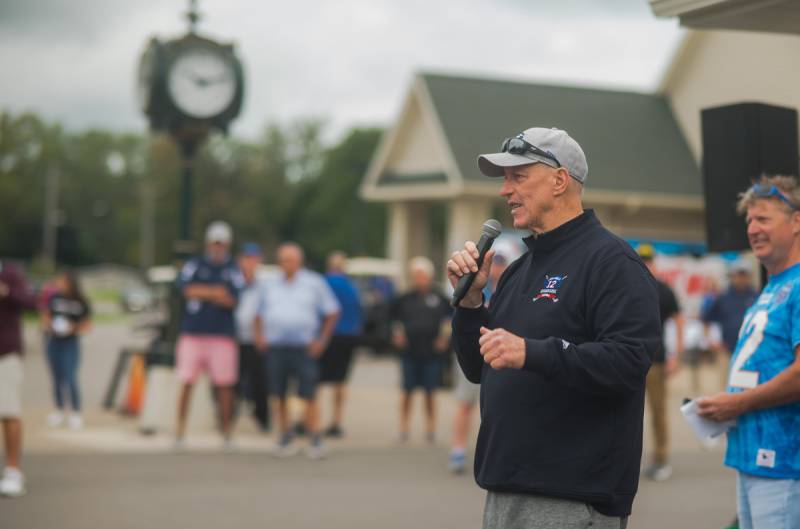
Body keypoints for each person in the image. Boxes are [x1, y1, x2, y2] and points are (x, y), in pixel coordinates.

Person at [448, 127, 660, 529]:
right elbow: (479, 368)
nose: (504, 190)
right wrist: (471, 302)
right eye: (505, 179)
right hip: (507, 486)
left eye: (518, 177)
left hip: (570, 496)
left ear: (560, 180)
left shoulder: (612, 262)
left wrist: (533, 352)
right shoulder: (516, 271)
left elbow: (629, 361)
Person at [698, 175, 800, 529]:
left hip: (784, 460)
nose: (753, 229)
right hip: (752, 457)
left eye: (764, 219)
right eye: (750, 221)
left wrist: (739, 403)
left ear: (797, 221)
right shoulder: (774, 286)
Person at [253, 242, 339, 458]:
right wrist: (260, 337)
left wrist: (322, 340)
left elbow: (332, 311)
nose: (286, 264)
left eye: (290, 259)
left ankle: (315, 436)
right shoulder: (270, 285)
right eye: (283, 260)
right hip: (277, 346)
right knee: (278, 393)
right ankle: (285, 435)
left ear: (299, 261)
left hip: (304, 346)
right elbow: (258, 314)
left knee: (309, 393)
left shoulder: (313, 283)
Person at [174, 221, 243, 449]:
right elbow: (186, 289)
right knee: (186, 381)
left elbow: (233, 298)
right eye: (214, 243)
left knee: (225, 385)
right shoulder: (195, 264)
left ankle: (226, 433)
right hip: (193, 333)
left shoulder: (233, 268)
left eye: (221, 244)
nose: (217, 247)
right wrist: (215, 292)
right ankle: (180, 432)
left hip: (222, 335)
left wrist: (203, 292)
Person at [449, 252, 510, 474]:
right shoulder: (477, 282)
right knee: (465, 403)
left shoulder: (515, 285)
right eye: (495, 263)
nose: (497, 268)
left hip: (505, 356)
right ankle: (457, 449)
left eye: (502, 263)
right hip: (476, 351)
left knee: (497, 406)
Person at [637, 243, 685, 481]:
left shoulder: (663, 290)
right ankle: (628, 459)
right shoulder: (629, 287)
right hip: (630, 360)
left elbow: (678, 321)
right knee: (627, 412)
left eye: (648, 260)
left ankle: (661, 458)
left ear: (653, 262)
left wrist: (677, 355)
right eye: (642, 260)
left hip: (656, 361)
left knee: (658, 412)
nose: (646, 264)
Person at [390, 256, 451, 444]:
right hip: (410, 351)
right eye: (415, 276)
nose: (418, 279)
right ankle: (403, 427)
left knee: (430, 391)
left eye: (421, 275)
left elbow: (449, 319)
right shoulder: (404, 298)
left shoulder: (440, 298)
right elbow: (394, 320)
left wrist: (444, 338)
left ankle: (431, 428)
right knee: (407, 391)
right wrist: (397, 334)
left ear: (429, 276)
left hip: (431, 351)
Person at [0, 260, 36, 498]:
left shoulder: (11, 273)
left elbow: (31, 303)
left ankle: (13, 469)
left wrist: (6, 292)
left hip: (6, 353)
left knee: (9, 412)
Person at [319, 251, 362, 438]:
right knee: (340, 380)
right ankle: (336, 420)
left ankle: (310, 419)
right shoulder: (351, 287)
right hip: (348, 336)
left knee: (315, 379)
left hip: (327, 335)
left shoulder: (322, 283)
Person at [42, 270, 92, 430]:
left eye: (62, 282)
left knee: (70, 377)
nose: (59, 284)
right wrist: (49, 325)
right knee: (56, 377)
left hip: (70, 343)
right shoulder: (55, 298)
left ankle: (76, 412)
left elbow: (87, 324)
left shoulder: (81, 301)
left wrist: (73, 328)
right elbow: (46, 315)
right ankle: (59, 410)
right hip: (54, 341)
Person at [702, 259, 758, 387]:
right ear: (732, 276)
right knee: (726, 386)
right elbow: (706, 319)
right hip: (727, 351)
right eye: (738, 274)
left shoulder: (756, 296)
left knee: (748, 388)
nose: (740, 278)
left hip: (750, 351)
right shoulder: (723, 297)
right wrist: (710, 341)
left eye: (743, 274)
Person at [234, 242, 269, 432]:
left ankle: (263, 418)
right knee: (233, 382)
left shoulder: (265, 285)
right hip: (236, 339)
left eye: (254, 259)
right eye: (247, 258)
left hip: (256, 341)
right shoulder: (234, 282)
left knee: (260, 382)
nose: (250, 263)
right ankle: (228, 417)